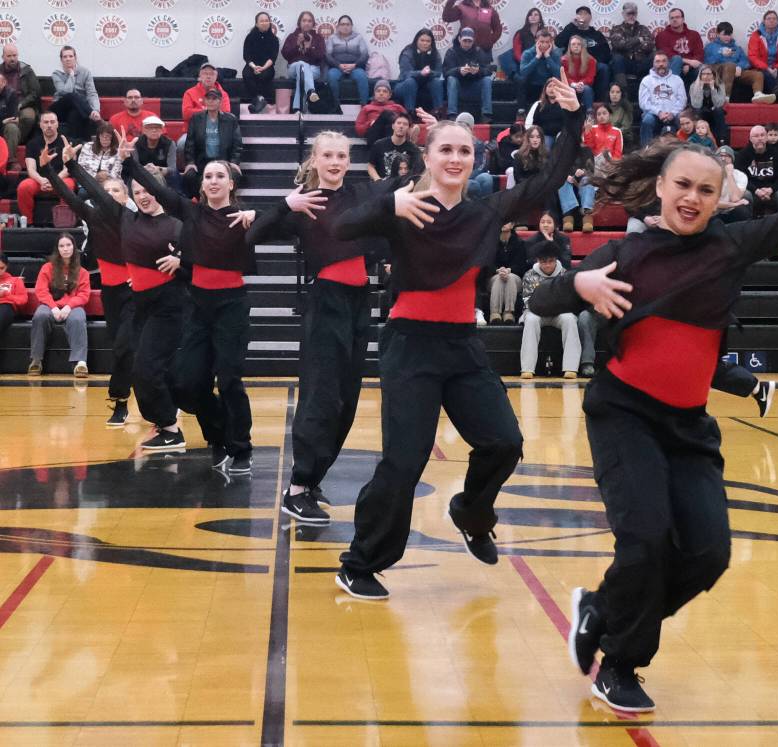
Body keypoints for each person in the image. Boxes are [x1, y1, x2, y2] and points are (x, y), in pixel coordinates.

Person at [526, 89, 778, 714]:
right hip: (623, 414)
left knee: (709, 554)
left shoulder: (730, 248)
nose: (692, 199)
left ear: (722, 199)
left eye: (706, 191)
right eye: (682, 185)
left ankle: (602, 610)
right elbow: (540, 301)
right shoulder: (623, 253)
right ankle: (623, 663)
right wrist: (576, 280)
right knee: (646, 539)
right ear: (659, 187)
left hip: (688, 426)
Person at [317, 74, 583, 601]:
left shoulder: (486, 213)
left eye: (464, 150)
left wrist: (573, 118)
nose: (455, 158)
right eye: (445, 149)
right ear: (428, 156)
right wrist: (388, 205)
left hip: (462, 345)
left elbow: (550, 176)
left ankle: (470, 510)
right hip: (409, 343)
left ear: (474, 159)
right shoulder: (401, 205)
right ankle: (361, 561)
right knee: (405, 460)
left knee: (504, 442)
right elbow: (338, 228)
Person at [248, 130, 403, 522]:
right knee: (320, 396)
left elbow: (405, 179)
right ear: (314, 160)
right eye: (328, 155)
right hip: (325, 302)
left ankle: (314, 477)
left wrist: (416, 140)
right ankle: (297, 487)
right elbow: (254, 234)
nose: (335, 162)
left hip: (359, 303)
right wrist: (286, 204)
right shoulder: (303, 202)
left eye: (341, 155)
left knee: (347, 400)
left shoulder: (360, 196)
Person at [120, 130, 258, 473]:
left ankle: (240, 447)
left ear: (231, 184)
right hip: (198, 306)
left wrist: (262, 216)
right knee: (185, 383)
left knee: (228, 379)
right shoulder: (191, 213)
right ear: (201, 184)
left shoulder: (244, 217)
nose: (213, 181)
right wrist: (128, 161)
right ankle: (217, 433)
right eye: (208, 176)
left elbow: (283, 221)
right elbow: (157, 189)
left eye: (220, 176)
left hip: (232, 306)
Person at [74, 135, 185, 450]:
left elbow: (193, 259)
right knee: (134, 362)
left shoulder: (170, 223)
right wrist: (68, 164)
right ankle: (157, 418)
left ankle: (169, 421)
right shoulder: (118, 219)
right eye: (137, 190)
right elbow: (90, 194)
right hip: (131, 297)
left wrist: (179, 262)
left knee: (141, 359)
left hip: (166, 303)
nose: (142, 195)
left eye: (144, 190)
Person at [41, 137, 134, 425]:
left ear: (124, 195)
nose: (109, 193)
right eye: (106, 190)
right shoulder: (94, 217)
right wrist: (48, 171)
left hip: (139, 292)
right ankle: (120, 402)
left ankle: (158, 399)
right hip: (112, 292)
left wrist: (72, 163)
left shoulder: (132, 217)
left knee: (128, 346)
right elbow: (70, 197)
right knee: (121, 348)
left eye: (115, 189)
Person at [29, 233, 90, 377]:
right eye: (61, 246)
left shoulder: (83, 272)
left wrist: (69, 306)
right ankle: (36, 360)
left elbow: (84, 295)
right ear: (57, 249)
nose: (65, 249)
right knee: (40, 315)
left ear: (74, 248)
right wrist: (53, 307)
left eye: (68, 245)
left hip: (73, 307)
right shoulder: (47, 268)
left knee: (78, 319)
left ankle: (80, 363)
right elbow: (41, 291)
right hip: (50, 306)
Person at [520, 241, 581, 378]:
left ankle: (571, 368)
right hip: (536, 313)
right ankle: (527, 368)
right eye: (543, 262)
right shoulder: (529, 275)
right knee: (530, 320)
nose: (547, 265)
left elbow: (569, 301)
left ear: (556, 260)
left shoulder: (565, 275)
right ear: (538, 261)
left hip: (558, 313)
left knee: (570, 319)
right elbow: (528, 301)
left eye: (550, 261)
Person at [183, 89, 243, 200]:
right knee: (189, 175)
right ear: (204, 101)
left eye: (214, 99)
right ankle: (201, 201)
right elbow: (190, 143)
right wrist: (190, 162)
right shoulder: (196, 118)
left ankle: (227, 201)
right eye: (208, 99)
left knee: (235, 174)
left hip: (223, 161)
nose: (210, 101)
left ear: (220, 101)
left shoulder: (231, 119)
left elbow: (237, 144)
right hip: (202, 161)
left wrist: (234, 162)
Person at [19, 111, 75, 226]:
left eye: (52, 122)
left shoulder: (66, 142)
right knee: (23, 187)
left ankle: (64, 223)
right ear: (40, 125)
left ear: (57, 124)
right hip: (39, 180)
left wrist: (55, 181)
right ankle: (28, 224)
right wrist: (41, 180)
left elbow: (68, 169)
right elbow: (31, 169)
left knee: (69, 186)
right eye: (46, 122)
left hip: (60, 179)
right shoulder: (32, 144)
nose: (49, 125)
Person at [704, 22, 774, 104]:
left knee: (758, 74)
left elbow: (746, 61)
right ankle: (725, 97)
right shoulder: (710, 46)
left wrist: (739, 67)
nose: (727, 37)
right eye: (724, 34)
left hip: (736, 72)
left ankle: (758, 95)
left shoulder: (737, 48)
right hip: (719, 73)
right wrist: (720, 53)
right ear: (718, 34)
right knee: (730, 66)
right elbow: (708, 61)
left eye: (729, 34)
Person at [735, 125, 778, 215]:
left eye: (762, 135)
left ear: (766, 138)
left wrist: (771, 189)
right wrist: (756, 190)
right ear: (750, 139)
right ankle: (747, 225)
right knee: (745, 195)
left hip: (772, 189)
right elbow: (741, 179)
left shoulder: (777, 154)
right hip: (752, 189)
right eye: (756, 136)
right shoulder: (742, 155)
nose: (760, 138)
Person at [555, 7, 611, 99]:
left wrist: (593, 61)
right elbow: (558, 43)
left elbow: (606, 53)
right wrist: (572, 25)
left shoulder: (597, 34)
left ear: (590, 17)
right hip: (572, 64)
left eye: (585, 14)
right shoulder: (570, 31)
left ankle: (600, 100)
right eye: (580, 14)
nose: (582, 16)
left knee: (604, 68)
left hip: (592, 64)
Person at [50, 46, 100, 142]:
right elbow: (66, 92)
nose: (68, 59)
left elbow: (92, 93)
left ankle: (77, 145)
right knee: (72, 96)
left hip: (78, 109)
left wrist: (96, 110)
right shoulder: (56, 74)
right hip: (60, 107)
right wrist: (71, 75)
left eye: (70, 56)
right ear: (61, 59)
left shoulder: (85, 72)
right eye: (65, 57)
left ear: (75, 58)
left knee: (75, 114)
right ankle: (91, 115)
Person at [1, 44, 41, 166]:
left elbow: (35, 93)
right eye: (9, 56)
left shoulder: (26, 70)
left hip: (24, 103)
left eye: (14, 55)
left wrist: (21, 103)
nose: (12, 58)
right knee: (10, 125)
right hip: (3, 102)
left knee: (28, 117)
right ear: (3, 57)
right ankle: (11, 137)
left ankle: (14, 138)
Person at [444, 28, 494, 123]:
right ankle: (452, 114)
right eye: (465, 41)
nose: (467, 44)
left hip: (475, 86)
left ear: (473, 40)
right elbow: (446, 72)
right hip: (458, 87)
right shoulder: (451, 52)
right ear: (459, 39)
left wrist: (478, 71)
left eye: (469, 41)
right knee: (451, 79)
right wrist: (459, 71)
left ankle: (486, 114)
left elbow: (488, 70)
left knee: (487, 80)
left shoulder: (479, 52)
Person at [639, 52, 687, 146]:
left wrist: (672, 113)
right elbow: (644, 103)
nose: (661, 64)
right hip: (654, 114)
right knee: (647, 120)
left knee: (683, 120)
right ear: (653, 63)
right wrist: (659, 112)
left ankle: (685, 148)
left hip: (673, 114)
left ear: (668, 63)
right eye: (657, 61)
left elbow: (682, 100)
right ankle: (645, 151)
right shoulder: (646, 80)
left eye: (664, 61)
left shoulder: (677, 79)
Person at [282, 11, 326, 112]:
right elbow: (286, 55)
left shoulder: (318, 38)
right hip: (293, 68)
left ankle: (298, 109)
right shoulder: (292, 36)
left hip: (313, 69)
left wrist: (310, 48)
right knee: (301, 65)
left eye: (309, 21)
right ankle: (311, 91)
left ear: (313, 23)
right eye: (304, 20)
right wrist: (297, 45)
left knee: (301, 77)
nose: (307, 23)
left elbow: (320, 56)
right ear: (299, 23)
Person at [394, 29, 445, 116]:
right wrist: (420, 73)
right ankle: (410, 113)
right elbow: (406, 74)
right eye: (422, 40)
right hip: (404, 85)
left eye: (428, 41)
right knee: (411, 82)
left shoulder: (435, 53)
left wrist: (429, 72)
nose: (425, 43)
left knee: (437, 82)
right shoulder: (407, 52)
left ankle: (438, 112)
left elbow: (439, 72)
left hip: (426, 84)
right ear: (416, 40)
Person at [324, 16, 369, 106]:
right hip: (337, 67)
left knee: (362, 76)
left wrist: (354, 65)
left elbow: (365, 55)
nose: (345, 27)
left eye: (348, 24)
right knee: (331, 76)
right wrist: (338, 65)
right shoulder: (332, 38)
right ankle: (335, 106)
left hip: (355, 67)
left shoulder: (358, 38)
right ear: (338, 26)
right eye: (343, 24)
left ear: (351, 26)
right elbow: (327, 55)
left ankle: (364, 105)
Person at [489, 222, 528, 323]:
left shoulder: (520, 243)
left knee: (510, 277)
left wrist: (509, 270)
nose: (503, 224)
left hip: (515, 277)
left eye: (507, 221)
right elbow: (486, 264)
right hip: (493, 276)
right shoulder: (489, 241)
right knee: (498, 278)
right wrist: (498, 270)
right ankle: (495, 312)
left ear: (512, 225)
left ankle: (508, 312)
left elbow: (521, 266)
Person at [609, 3, 654, 91]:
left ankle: (650, 89)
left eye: (634, 14)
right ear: (623, 14)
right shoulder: (616, 29)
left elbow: (649, 45)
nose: (631, 16)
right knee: (617, 58)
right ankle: (623, 90)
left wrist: (627, 43)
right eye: (629, 14)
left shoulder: (643, 29)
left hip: (641, 62)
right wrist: (639, 39)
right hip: (625, 63)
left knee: (655, 55)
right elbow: (619, 45)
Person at [367, 111, 423, 181]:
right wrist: (378, 180)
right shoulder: (379, 145)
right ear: (393, 126)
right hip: (382, 185)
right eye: (398, 123)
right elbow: (370, 166)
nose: (401, 126)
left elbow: (416, 173)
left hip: (402, 187)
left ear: (408, 128)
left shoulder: (414, 150)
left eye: (405, 124)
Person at [747, 10, 778, 94]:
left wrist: (776, 68)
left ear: (777, 21)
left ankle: (775, 96)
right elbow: (752, 56)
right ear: (764, 21)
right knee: (766, 75)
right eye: (769, 18)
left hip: (777, 67)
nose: (772, 20)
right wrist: (767, 68)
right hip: (761, 67)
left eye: (774, 19)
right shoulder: (756, 35)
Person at [654, 7, 703, 86]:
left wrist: (689, 66)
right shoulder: (662, 36)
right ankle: (671, 90)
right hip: (671, 66)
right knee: (677, 59)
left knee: (703, 69)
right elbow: (667, 54)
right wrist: (687, 62)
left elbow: (699, 54)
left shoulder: (694, 34)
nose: (674, 20)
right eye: (672, 18)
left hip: (690, 67)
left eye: (677, 17)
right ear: (669, 20)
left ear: (683, 19)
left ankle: (702, 97)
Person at [242, 12, 279, 113]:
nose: (264, 23)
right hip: (252, 65)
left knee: (264, 75)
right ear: (257, 23)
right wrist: (254, 67)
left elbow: (273, 57)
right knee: (247, 74)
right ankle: (260, 99)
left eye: (266, 20)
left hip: (267, 66)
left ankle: (258, 102)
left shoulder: (274, 39)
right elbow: (246, 56)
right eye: (261, 21)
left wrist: (263, 68)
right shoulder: (250, 37)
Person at [517, 30, 562, 110]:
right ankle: (521, 112)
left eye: (547, 42)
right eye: (541, 41)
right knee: (520, 80)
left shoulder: (555, 54)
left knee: (558, 81)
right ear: (536, 41)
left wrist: (548, 57)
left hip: (547, 86)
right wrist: (537, 57)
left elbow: (558, 73)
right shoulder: (528, 53)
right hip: (532, 85)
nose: (544, 44)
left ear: (551, 42)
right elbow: (523, 72)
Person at [134, 116, 179, 192]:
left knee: (174, 175)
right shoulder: (136, 143)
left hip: (163, 175)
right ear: (144, 130)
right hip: (142, 174)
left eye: (157, 128)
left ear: (162, 130)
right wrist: (145, 169)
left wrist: (159, 169)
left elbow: (172, 168)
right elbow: (134, 165)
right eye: (150, 128)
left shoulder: (169, 144)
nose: (154, 130)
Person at [355, 80, 408, 146]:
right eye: (378, 91)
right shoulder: (366, 108)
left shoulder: (398, 107)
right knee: (386, 114)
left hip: (392, 134)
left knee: (391, 124)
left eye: (385, 91)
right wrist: (370, 123)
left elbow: (408, 122)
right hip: (374, 137)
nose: (381, 93)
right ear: (374, 94)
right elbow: (359, 130)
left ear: (390, 95)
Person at [499, 8, 545, 81]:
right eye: (530, 15)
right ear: (528, 18)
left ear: (540, 18)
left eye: (536, 15)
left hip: (540, 63)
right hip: (524, 64)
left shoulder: (544, 33)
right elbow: (517, 53)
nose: (533, 16)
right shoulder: (520, 33)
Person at [559, 146, 597, 232]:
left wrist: (583, 172)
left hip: (582, 182)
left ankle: (587, 217)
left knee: (587, 180)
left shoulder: (587, 150)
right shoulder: (561, 151)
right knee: (562, 181)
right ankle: (568, 218)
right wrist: (566, 175)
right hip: (568, 182)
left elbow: (591, 171)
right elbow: (558, 170)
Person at [689, 66, 728, 146]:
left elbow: (718, 104)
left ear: (714, 75)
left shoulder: (720, 85)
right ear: (700, 76)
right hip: (701, 112)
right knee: (698, 111)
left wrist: (713, 88)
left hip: (714, 112)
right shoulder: (693, 86)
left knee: (719, 110)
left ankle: (722, 141)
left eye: (709, 74)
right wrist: (700, 88)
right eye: (703, 74)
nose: (706, 76)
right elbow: (697, 104)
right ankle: (699, 140)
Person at [524, 79, 566, 148]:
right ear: (545, 89)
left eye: (555, 86)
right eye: (549, 86)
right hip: (544, 135)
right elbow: (529, 123)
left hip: (562, 135)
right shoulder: (538, 104)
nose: (552, 89)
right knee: (546, 144)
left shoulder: (565, 104)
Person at [584, 102, 624, 168]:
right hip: (596, 165)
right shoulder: (592, 128)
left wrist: (612, 163)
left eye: (604, 113)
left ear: (610, 115)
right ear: (596, 117)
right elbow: (589, 147)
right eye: (599, 114)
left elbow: (618, 152)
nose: (601, 116)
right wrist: (587, 132)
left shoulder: (617, 131)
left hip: (612, 165)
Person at [562, 35, 596, 113]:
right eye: (573, 44)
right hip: (570, 86)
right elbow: (564, 77)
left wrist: (581, 83)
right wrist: (573, 84)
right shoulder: (564, 60)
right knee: (569, 90)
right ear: (569, 47)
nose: (576, 46)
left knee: (587, 89)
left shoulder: (591, 60)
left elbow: (590, 77)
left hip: (584, 86)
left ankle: (589, 113)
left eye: (578, 44)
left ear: (582, 46)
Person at [0, 250, 27, 342]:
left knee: (4, 309)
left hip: (6, 307)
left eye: (1, 268)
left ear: (6, 267)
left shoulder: (16, 280)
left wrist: (6, 294)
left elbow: (23, 300)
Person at [606, 83, 634, 149]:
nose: (614, 94)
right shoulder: (605, 107)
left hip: (623, 137)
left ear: (621, 94)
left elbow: (626, 127)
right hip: (607, 137)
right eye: (612, 92)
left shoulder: (626, 107)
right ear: (609, 93)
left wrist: (612, 134)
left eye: (617, 92)